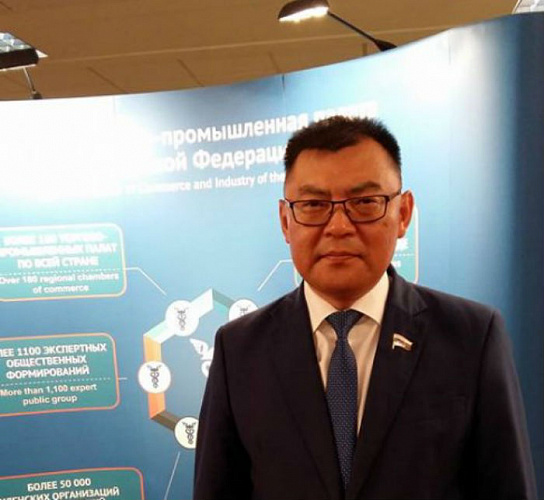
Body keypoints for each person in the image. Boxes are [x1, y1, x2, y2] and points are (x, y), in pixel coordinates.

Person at [193, 116, 537, 500]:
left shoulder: (471, 337)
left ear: (403, 213)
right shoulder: (239, 349)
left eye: (364, 202)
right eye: (313, 204)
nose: (339, 226)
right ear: (286, 222)